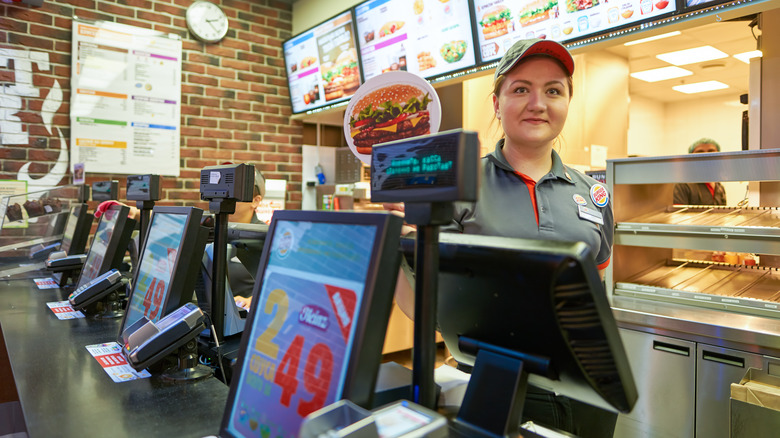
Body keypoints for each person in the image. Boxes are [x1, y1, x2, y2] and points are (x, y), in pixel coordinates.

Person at [386, 38, 615, 437]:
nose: (538, 103)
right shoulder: (457, 185)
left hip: (589, 390)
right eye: (521, 89)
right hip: (494, 385)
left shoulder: (593, 194)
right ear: (496, 103)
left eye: (553, 90)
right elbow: (425, 308)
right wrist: (394, 247)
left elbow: (599, 290)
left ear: (566, 103)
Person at [673, 138, 727, 205]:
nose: (706, 156)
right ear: (691, 158)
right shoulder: (683, 185)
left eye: (711, 151)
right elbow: (679, 214)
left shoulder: (719, 187)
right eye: (700, 152)